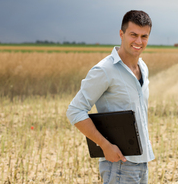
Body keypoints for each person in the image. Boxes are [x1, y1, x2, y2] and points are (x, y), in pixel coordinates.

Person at [66, 10, 154, 184]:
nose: (138, 41)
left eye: (144, 36)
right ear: (121, 34)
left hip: (142, 162)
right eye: (133, 35)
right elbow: (75, 110)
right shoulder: (104, 70)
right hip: (119, 165)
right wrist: (105, 146)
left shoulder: (143, 67)